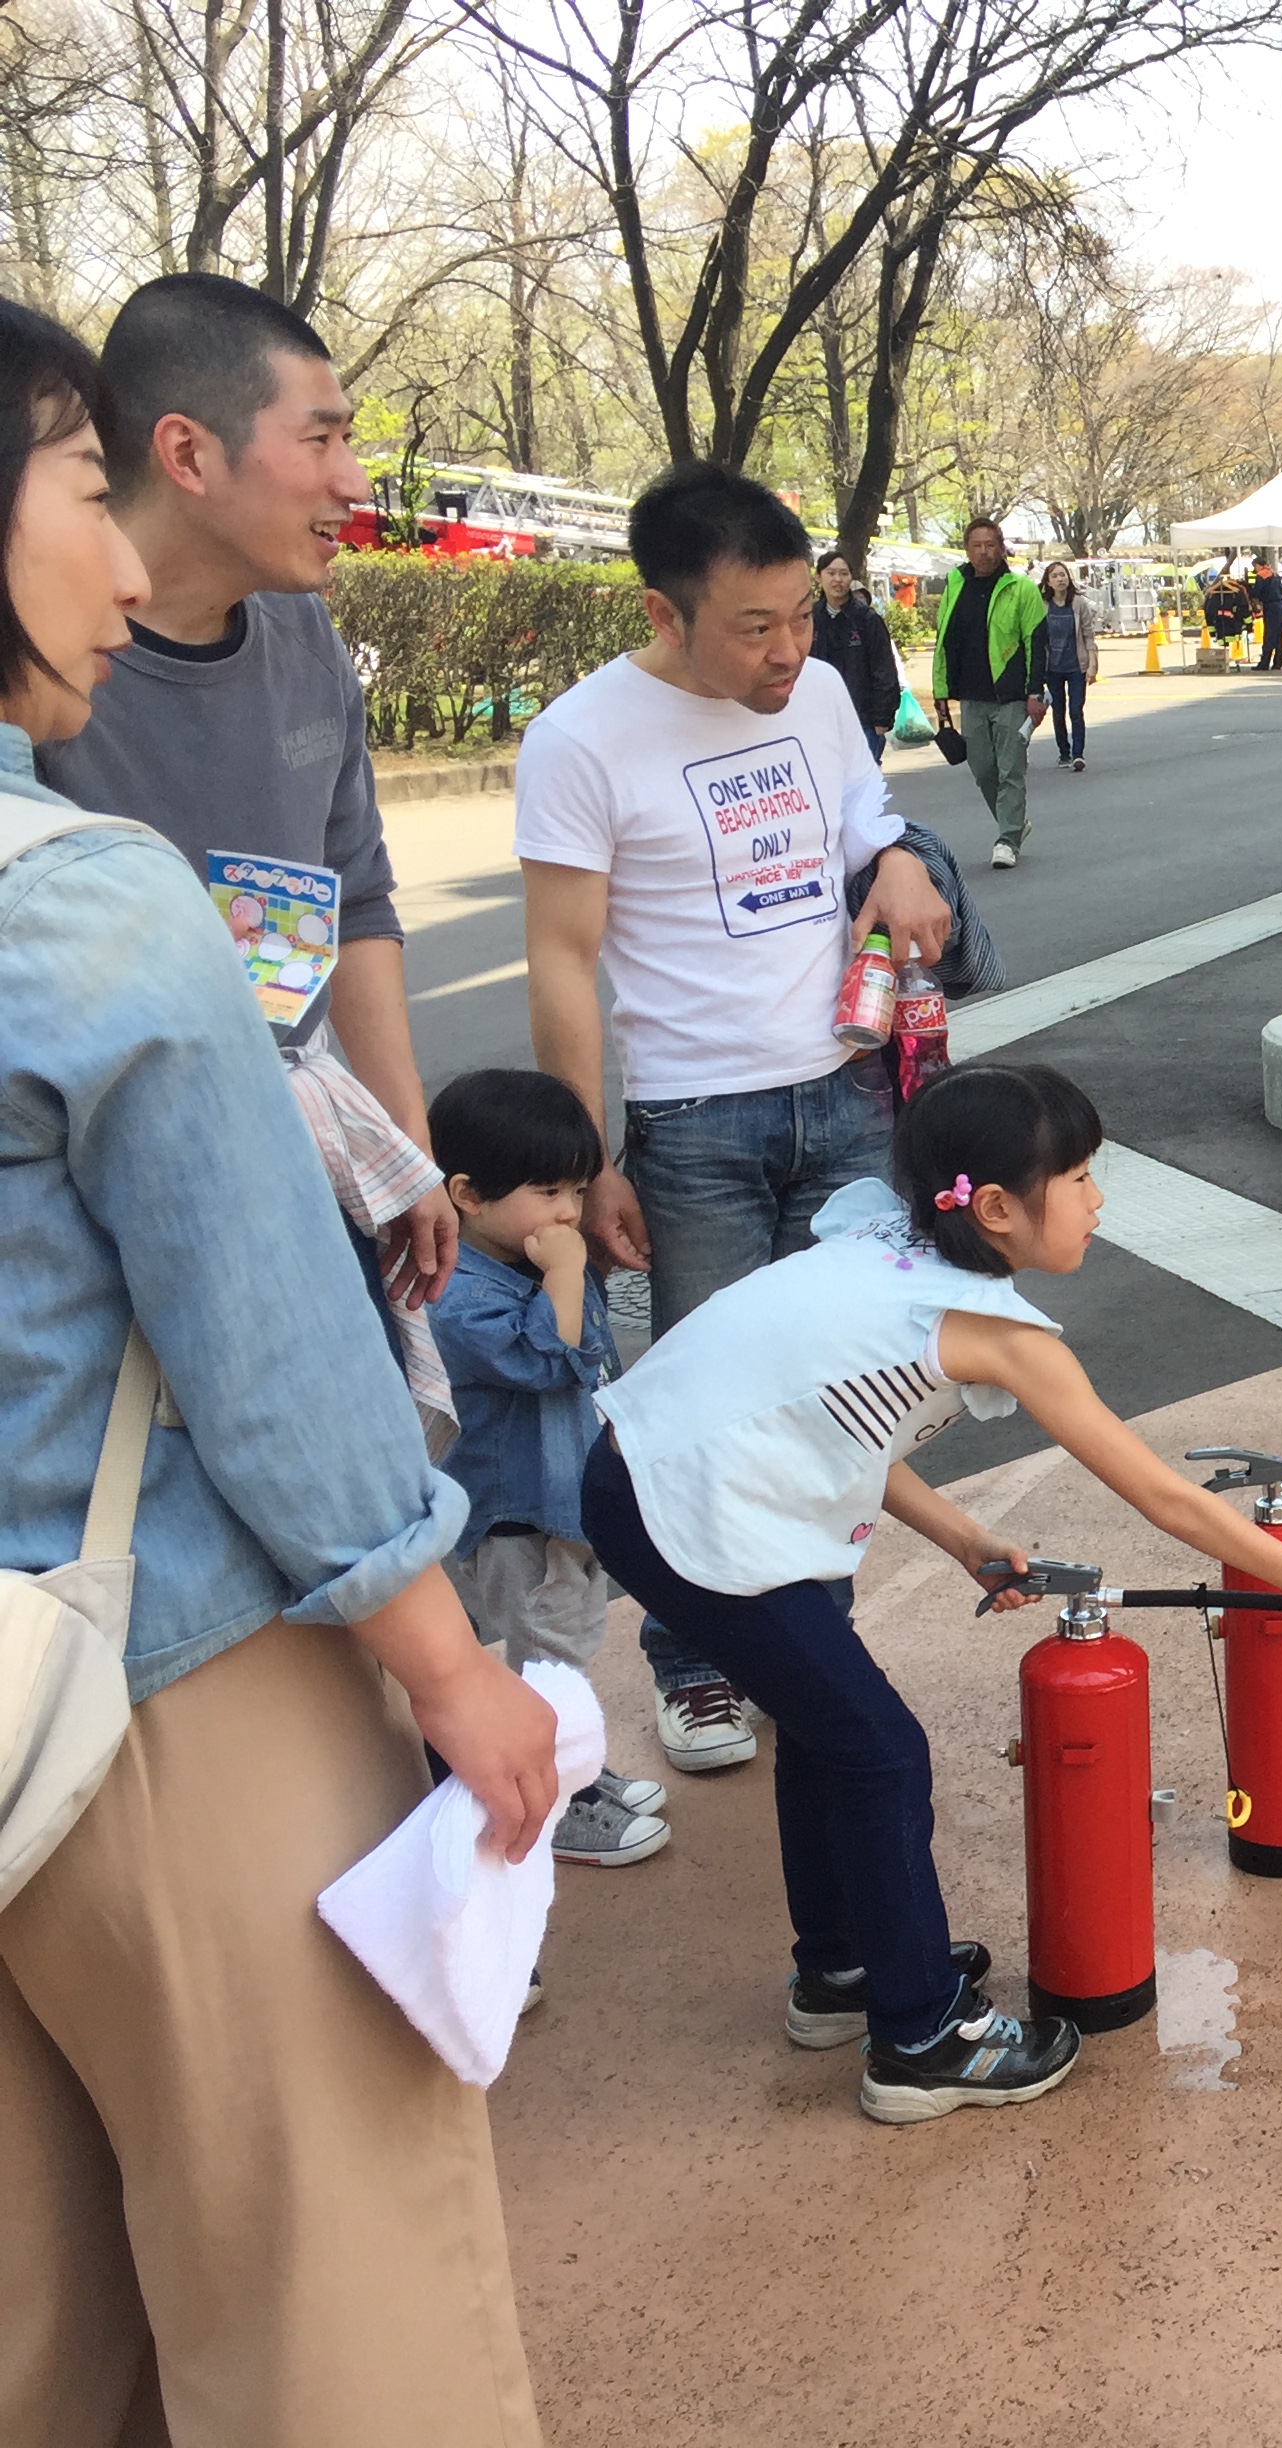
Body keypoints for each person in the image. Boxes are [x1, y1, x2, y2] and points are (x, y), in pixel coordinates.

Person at [0, 293, 557, 2445]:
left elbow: (360, 931)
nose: (122, 566)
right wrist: (448, 1662)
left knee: (47, 2308)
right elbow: (268, 1346)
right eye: (72, 493)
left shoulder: (296, 675)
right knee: (335, 2288)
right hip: (165, 1670)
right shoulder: (83, 909)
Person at [580, 1062, 1282, 2122]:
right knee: (879, 1748)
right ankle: (918, 2042)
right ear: (998, 1207)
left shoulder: (888, 1245)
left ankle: (845, 1969)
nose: (1100, 1200)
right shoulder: (989, 1329)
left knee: (836, 1733)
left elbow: (836, 1419)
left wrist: (963, 1536)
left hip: (676, 1472)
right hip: (688, 1508)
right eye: (1084, 1177)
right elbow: (1161, 1495)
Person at [518, 461, 950, 1781]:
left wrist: (901, 860)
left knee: (840, 1388)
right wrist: (588, 1162)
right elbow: (559, 961)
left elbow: (865, 822)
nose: (787, 651)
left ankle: (812, 1633)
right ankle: (697, 1661)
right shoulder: (583, 740)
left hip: (847, 1090)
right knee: (704, 1405)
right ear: (664, 610)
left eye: (799, 616)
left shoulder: (819, 695)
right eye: (752, 627)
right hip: (695, 1122)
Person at [38, 270, 456, 1315]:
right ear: (187, 453)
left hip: (306, 1169)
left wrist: (401, 1143)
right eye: (319, 441)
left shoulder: (304, 633)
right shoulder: (35, 678)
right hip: (113, 1222)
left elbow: (353, 894)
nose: (354, 482)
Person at [428, 1066, 669, 1870]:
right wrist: (568, 1273)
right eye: (548, 1191)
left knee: (563, 1639)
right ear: (465, 1192)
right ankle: (554, 1804)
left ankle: (572, 1773)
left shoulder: (523, 1255)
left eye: (574, 1188)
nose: (568, 1212)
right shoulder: (458, 1292)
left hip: (561, 1495)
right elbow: (548, 1358)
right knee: (546, 1658)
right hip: (516, 1515)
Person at [929, 517, 1047, 868]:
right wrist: (941, 691)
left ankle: (1007, 838)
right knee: (982, 769)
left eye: (990, 544)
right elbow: (944, 640)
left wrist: (1034, 692)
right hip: (971, 694)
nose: (983, 551)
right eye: (976, 545)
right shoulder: (955, 584)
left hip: (1010, 695)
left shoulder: (1020, 588)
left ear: (1001, 547)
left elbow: (1036, 642)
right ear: (967, 549)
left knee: (1011, 769)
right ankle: (1014, 822)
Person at [811, 547, 902, 765]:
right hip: (821, 721)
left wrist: (882, 718)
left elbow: (884, 669)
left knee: (862, 788)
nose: (837, 579)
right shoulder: (808, 619)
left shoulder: (866, 619)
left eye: (843, 574)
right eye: (831, 573)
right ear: (818, 577)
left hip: (863, 719)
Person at [1037, 559, 1089, 773]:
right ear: (1048, 582)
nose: (1060, 579)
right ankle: (1064, 752)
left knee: (1075, 710)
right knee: (1058, 711)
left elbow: (1089, 635)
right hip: (1052, 668)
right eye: (1055, 576)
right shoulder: (1042, 605)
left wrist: (1092, 665)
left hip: (1076, 665)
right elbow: (1037, 637)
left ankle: (1078, 754)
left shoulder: (1079, 603)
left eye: (1063, 574)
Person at [1204, 564, 1251, 667]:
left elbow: (1208, 613)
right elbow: (1244, 609)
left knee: (1225, 641)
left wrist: (1212, 631)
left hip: (1221, 626)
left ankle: (1227, 657)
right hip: (1235, 626)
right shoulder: (1237, 592)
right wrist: (1249, 626)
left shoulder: (1214, 594)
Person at [1250, 553, 1282, 672]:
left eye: (1255, 566)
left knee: (1269, 635)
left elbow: (1256, 592)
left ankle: (1264, 663)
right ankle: (1278, 662)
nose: (1254, 569)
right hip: (1281, 606)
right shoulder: (1275, 573)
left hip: (1271, 607)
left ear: (1258, 565)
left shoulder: (1261, 575)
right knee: (1279, 635)